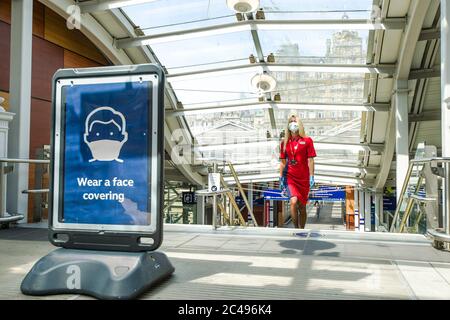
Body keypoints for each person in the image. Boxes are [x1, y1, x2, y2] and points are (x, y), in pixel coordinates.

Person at [279, 114, 316, 229]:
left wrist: (311, 176)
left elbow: (310, 160)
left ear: (299, 124)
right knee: (293, 202)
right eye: (291, 121)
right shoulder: (284, 143)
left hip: (303, 178)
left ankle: (302, 229)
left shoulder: (307, 141)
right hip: (291, 176)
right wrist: (281, 177)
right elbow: (282, 162)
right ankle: (295, 229)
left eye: (295, 121)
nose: (293, 123)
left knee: (302, 207)